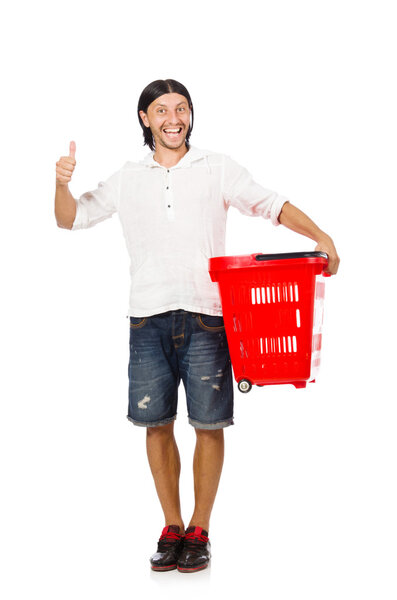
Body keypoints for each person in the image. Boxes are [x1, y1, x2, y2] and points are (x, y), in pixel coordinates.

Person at [54, 78, 340, 574]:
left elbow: (271, 204)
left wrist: (321, 235)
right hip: (147, 316)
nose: (173, 118)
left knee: (209, 425)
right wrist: (60, 184)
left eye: (181, 108)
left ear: (190, 114)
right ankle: (172, 526)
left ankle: (200, 529)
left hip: (208, 316)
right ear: (145, 117)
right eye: (161, 109)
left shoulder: (217, 167)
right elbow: (70, 219)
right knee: (155, 424)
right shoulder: (127, 176)